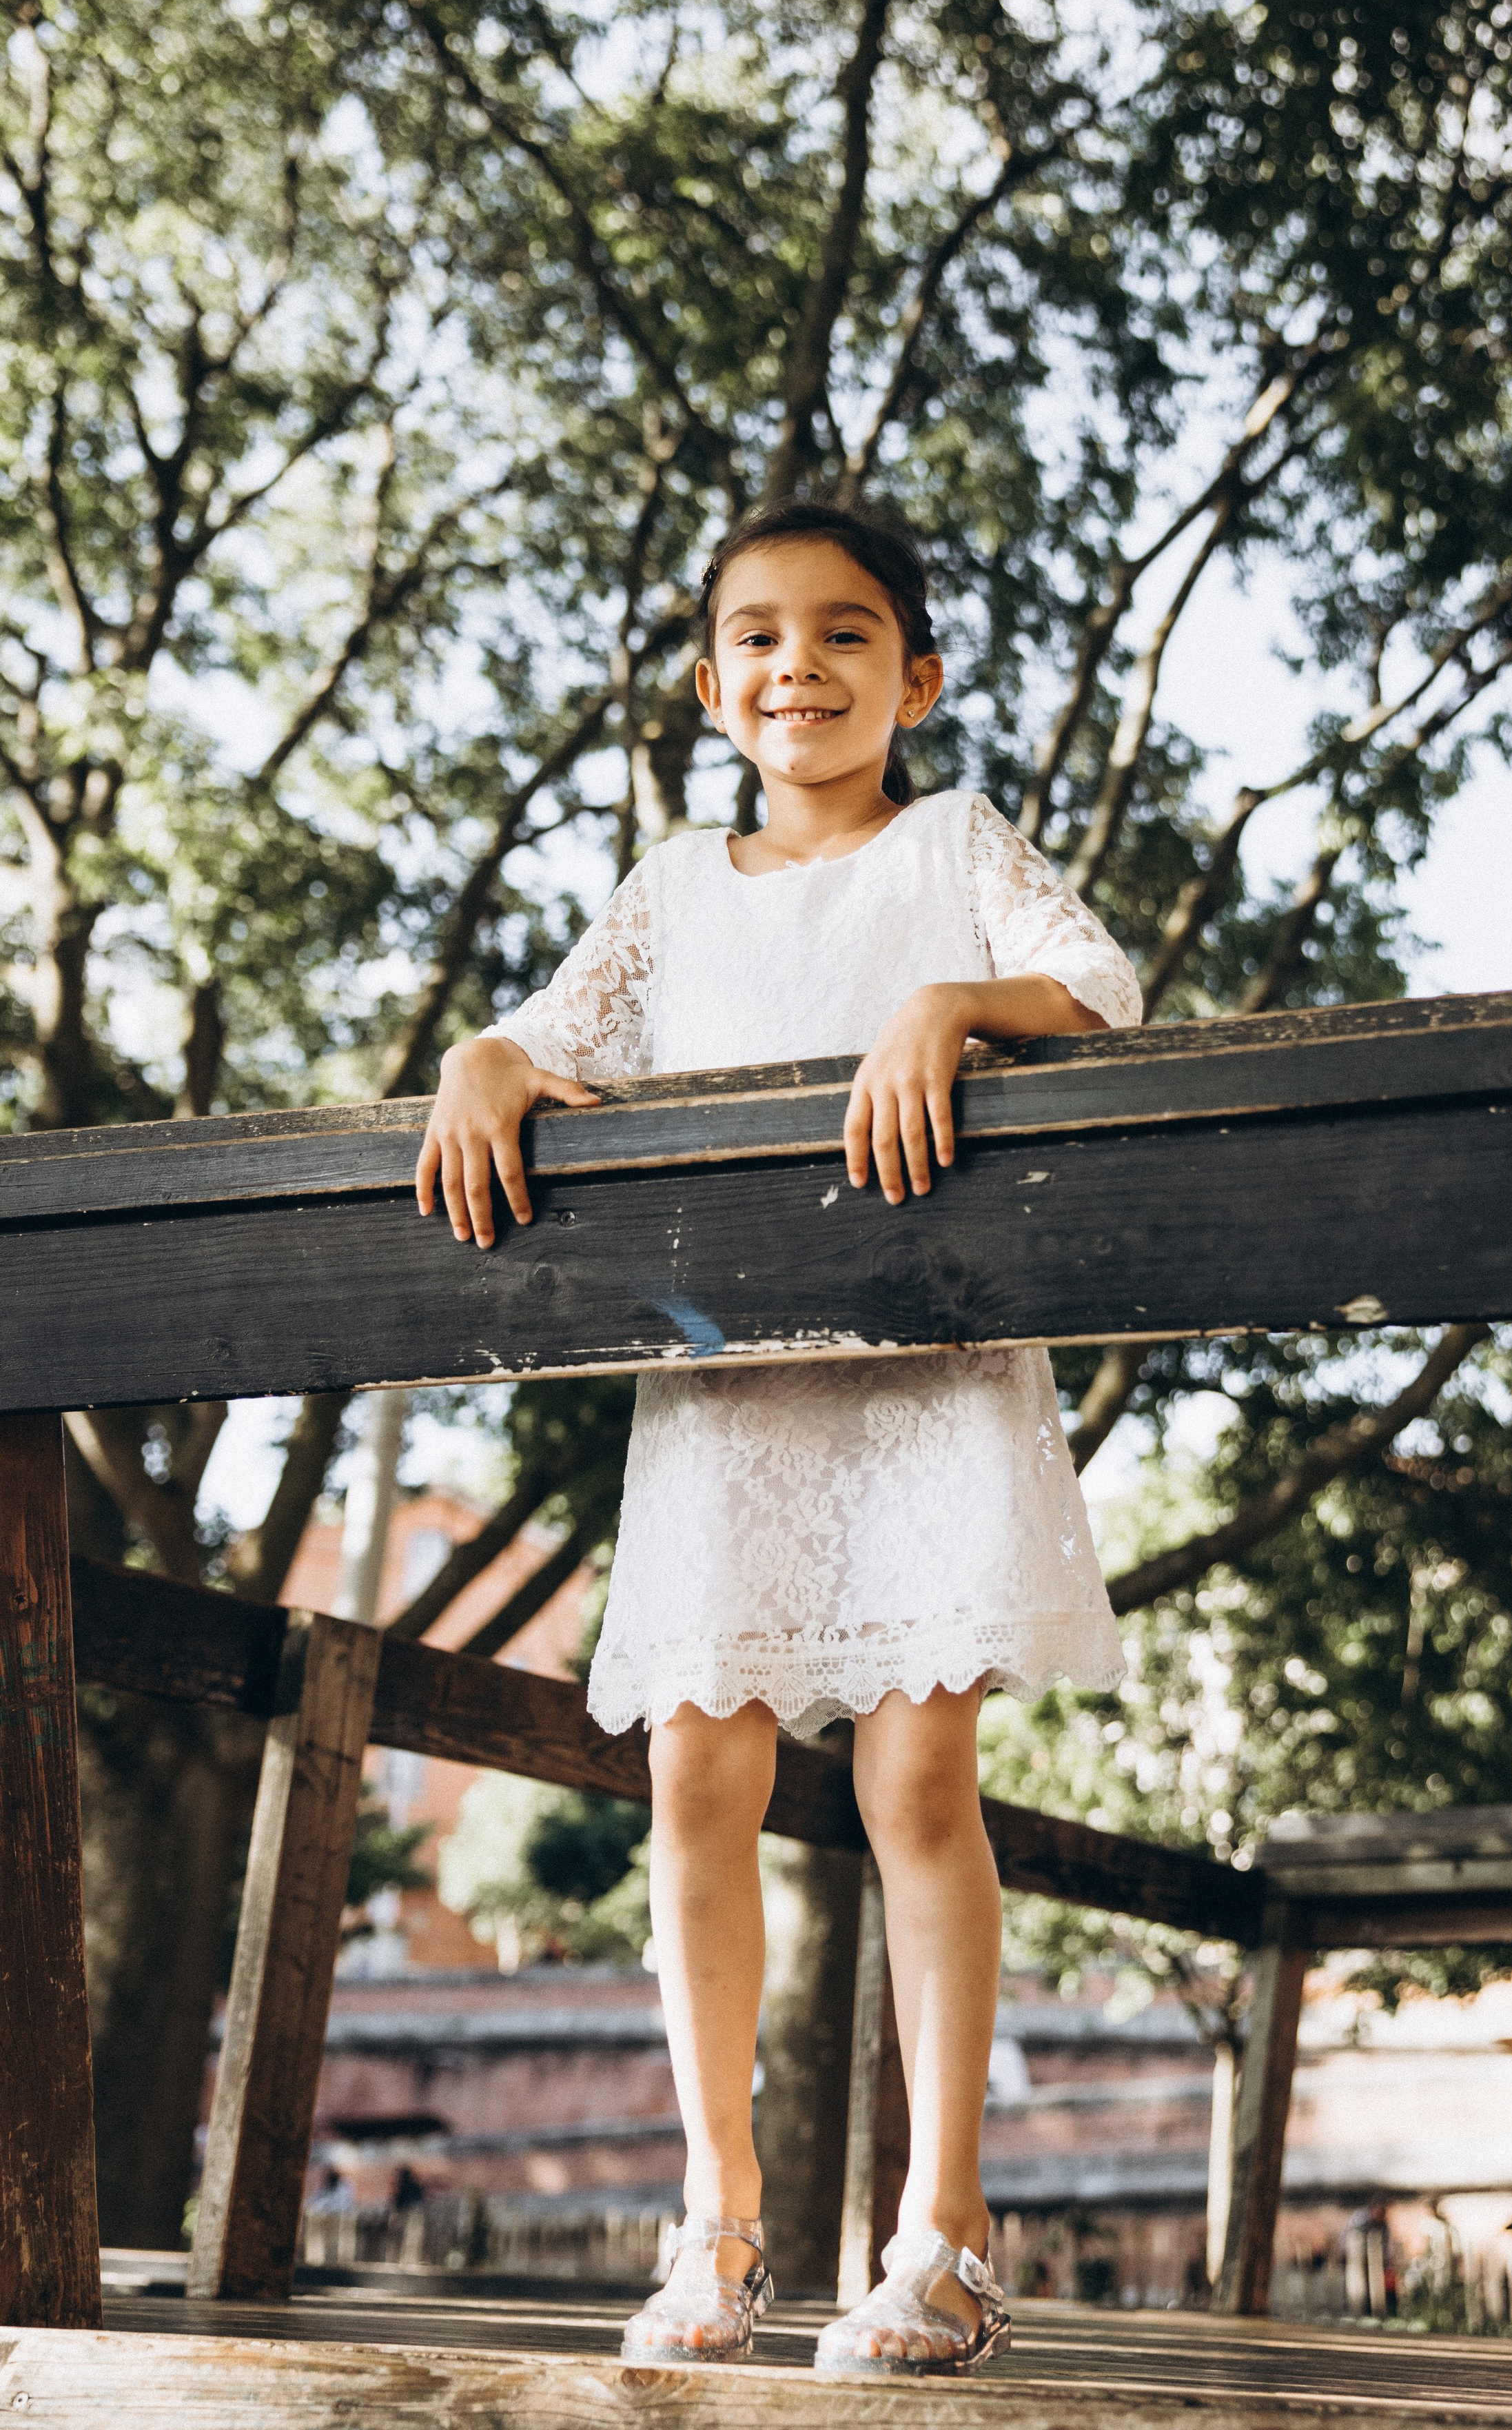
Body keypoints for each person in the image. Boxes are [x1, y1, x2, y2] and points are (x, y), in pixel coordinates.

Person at [415, 498, 1138, 2377]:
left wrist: (955, 1004)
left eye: (841, 633)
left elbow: (1107, 985)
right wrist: (483, 1058)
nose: (795, 667)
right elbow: (545, 1040)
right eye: (755, 635)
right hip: (730, 1408)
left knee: (915, 1795)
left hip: (923, 1388)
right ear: (711, 676)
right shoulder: (670, 888)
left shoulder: (953, 846)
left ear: (919, 672)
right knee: (696, 1792)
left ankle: (944, 2232)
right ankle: (718, 2220)